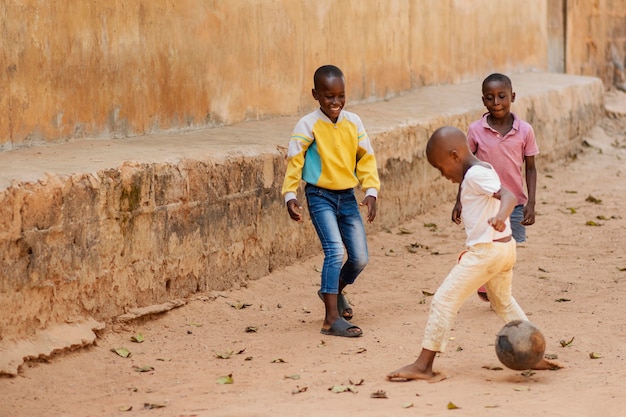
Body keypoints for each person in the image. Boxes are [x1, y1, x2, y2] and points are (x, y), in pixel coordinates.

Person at [387, 126, 559, 381]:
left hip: (487, 252)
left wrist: (501, 216)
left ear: (455, 156)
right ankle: (533, 354)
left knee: (444, 300)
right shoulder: (483, 169)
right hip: (504, 248)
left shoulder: (476, 174)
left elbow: (509, 195)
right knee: (503, 302)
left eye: (440, 167)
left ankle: (424, 366)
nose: (442, 174)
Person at [281, 64, 380, 338]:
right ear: (315, 95)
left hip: (347, 197)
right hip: (320, 196)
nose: (335, 102)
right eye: (328, 96)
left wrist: (371, 190)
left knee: (359, 258)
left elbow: (366, 157)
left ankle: (333, 291)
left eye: (340, 95)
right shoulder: (307, 125)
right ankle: (330, 319)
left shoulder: (354, 122)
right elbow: (295, 161)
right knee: (335, 251)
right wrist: (290, 194)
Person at [453, 73, 539, 302]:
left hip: (516, 202)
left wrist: (531, 202)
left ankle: (495, 287)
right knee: (487, 245)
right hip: (485, 202)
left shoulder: (525, 131)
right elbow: (466, 168)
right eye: (490, 98)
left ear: (512, 96)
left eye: (502, 96)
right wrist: (459, 200)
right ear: (483, 101)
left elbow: (530, 168)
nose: (496, 102)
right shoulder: (476, 130)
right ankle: (489, 286)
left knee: (508, 249)